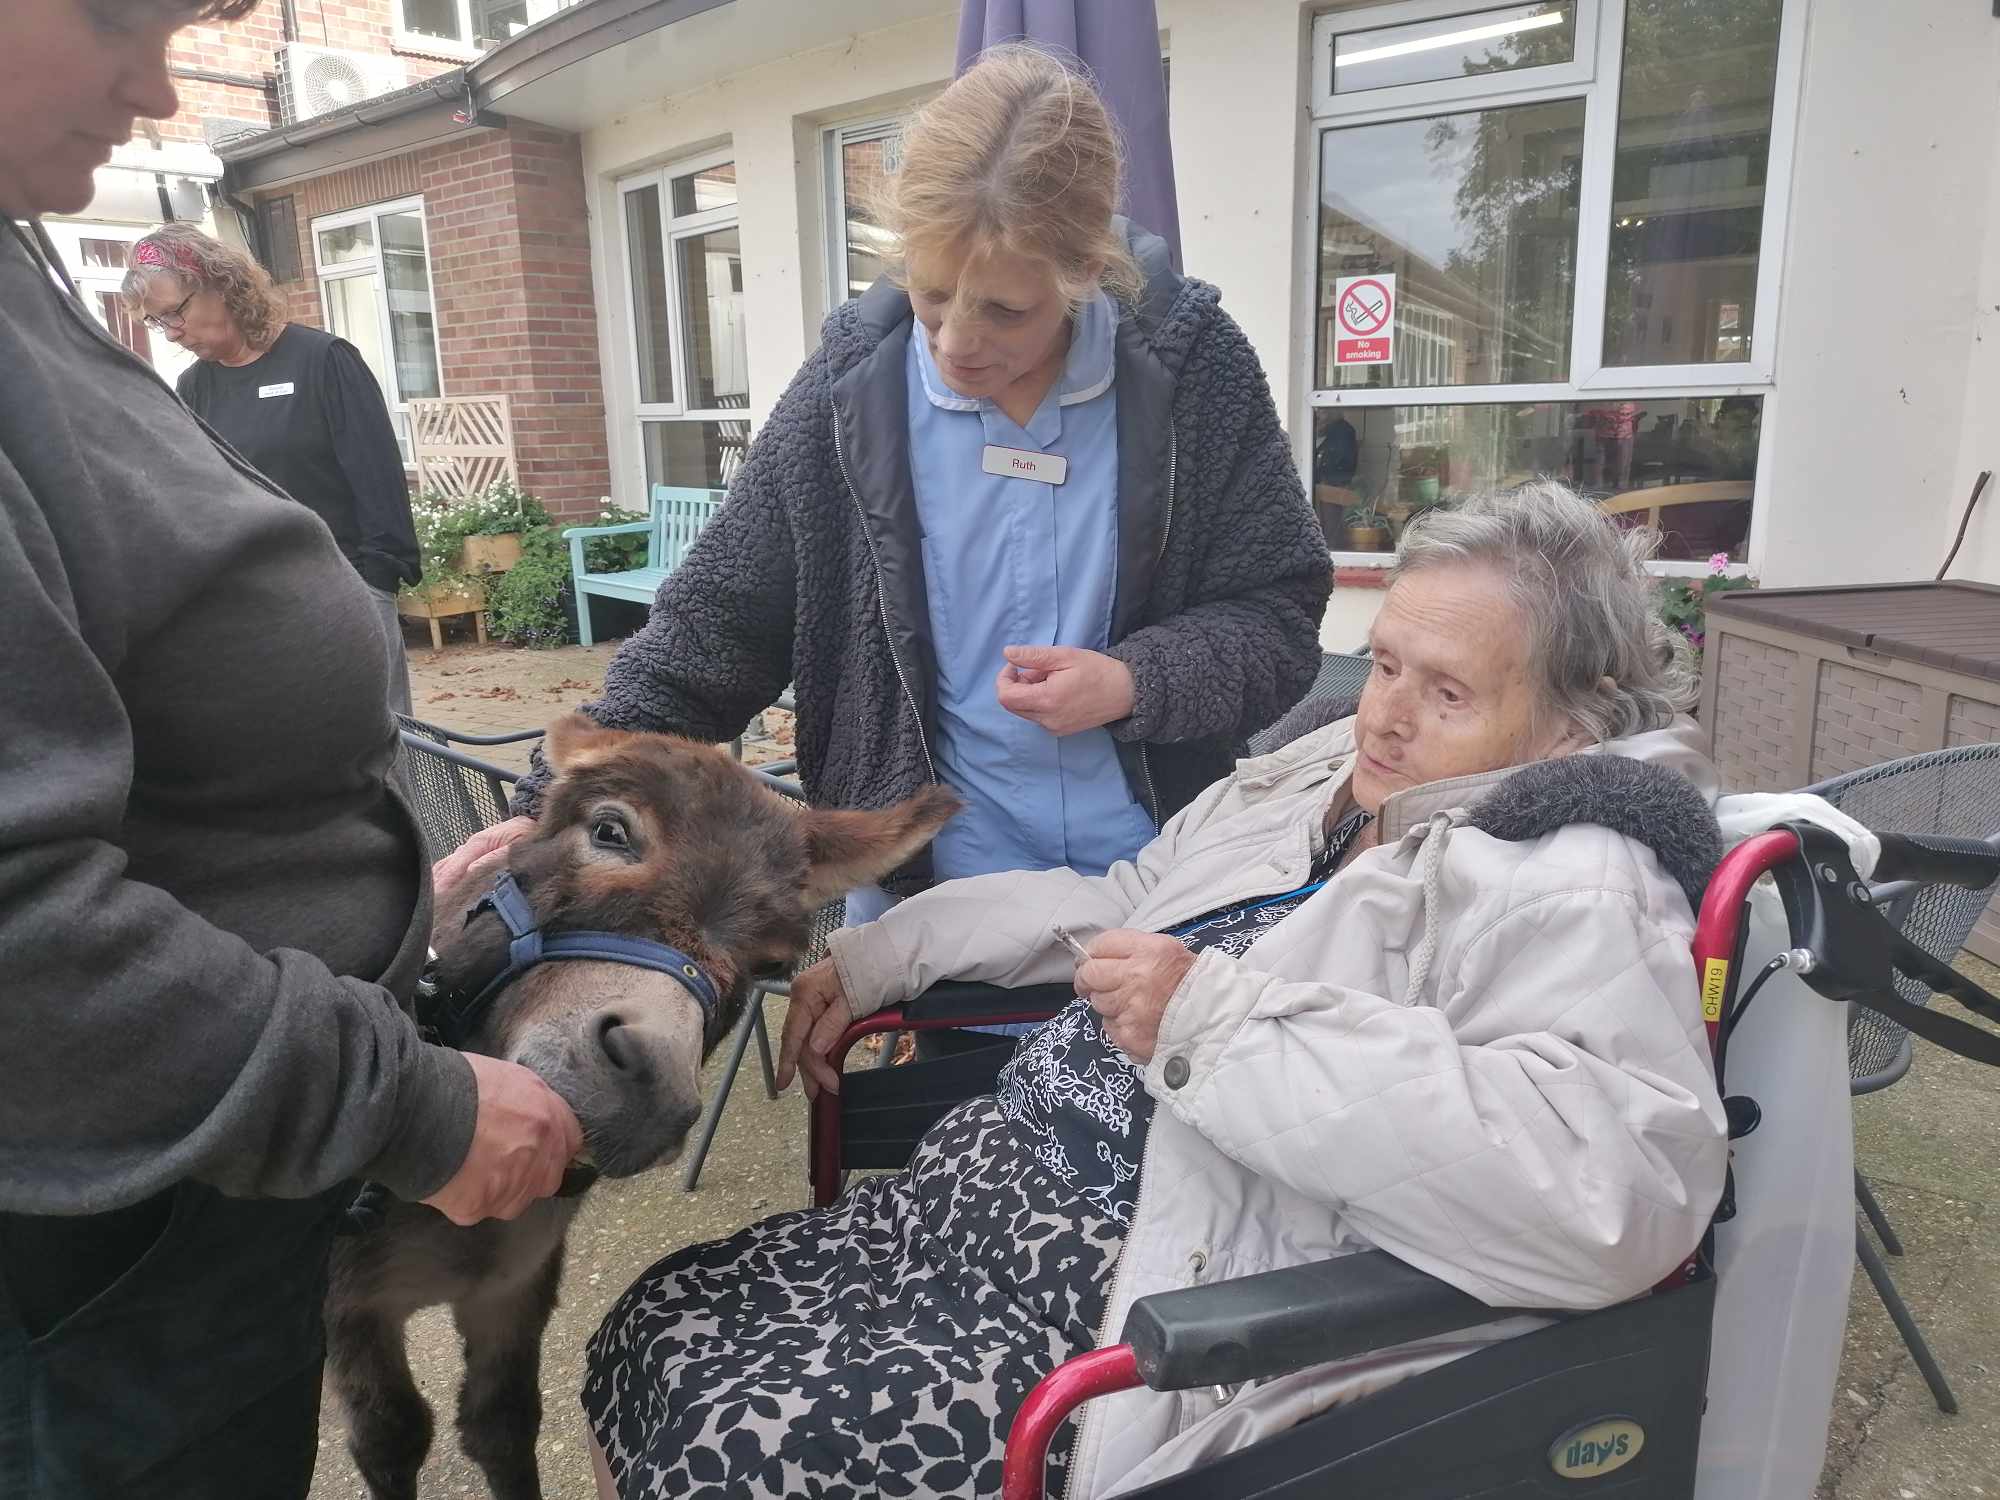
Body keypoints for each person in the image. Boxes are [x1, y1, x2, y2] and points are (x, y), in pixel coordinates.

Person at [581, 485, 1731, 1500]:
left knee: (723, 1452)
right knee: (655, 1321)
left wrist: (1214, 1025)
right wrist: (881, 953)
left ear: (1570, 716)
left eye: (1445, 693)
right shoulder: (1321, 778)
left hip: (1121, 1303)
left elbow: (1608, 1194)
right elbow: (1123, 894)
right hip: (960, 1222)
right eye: (1382, 664)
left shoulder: (1568, 870)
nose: (1380, 714)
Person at [0, 5, 579, 1495]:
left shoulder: (26, 266)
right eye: (115, 14)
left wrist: (379, 903)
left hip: (194, 1181)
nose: (152, 82)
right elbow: (22, 927)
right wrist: (407, 1101)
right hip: (113, 1220)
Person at [510, 48, 1331, 1054]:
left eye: (1004, 311)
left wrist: (1135, 680)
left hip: (1160, 884)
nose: (952, 343)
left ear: (1087, 272)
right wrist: (542, 816)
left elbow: (1277, 618)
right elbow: (709, 633)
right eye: (933, 294)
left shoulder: (1191, 369)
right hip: (933, 903)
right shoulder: (846, 394)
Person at [123, 222, 422, 711]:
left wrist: (377, 584)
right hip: (256, 609)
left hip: (348, 591)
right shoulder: (194, 388)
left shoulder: (323, 361)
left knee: (382, 747)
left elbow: (379, 482)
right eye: (158, 322)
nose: (173, 332)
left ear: (220, 284)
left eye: (175, 312)